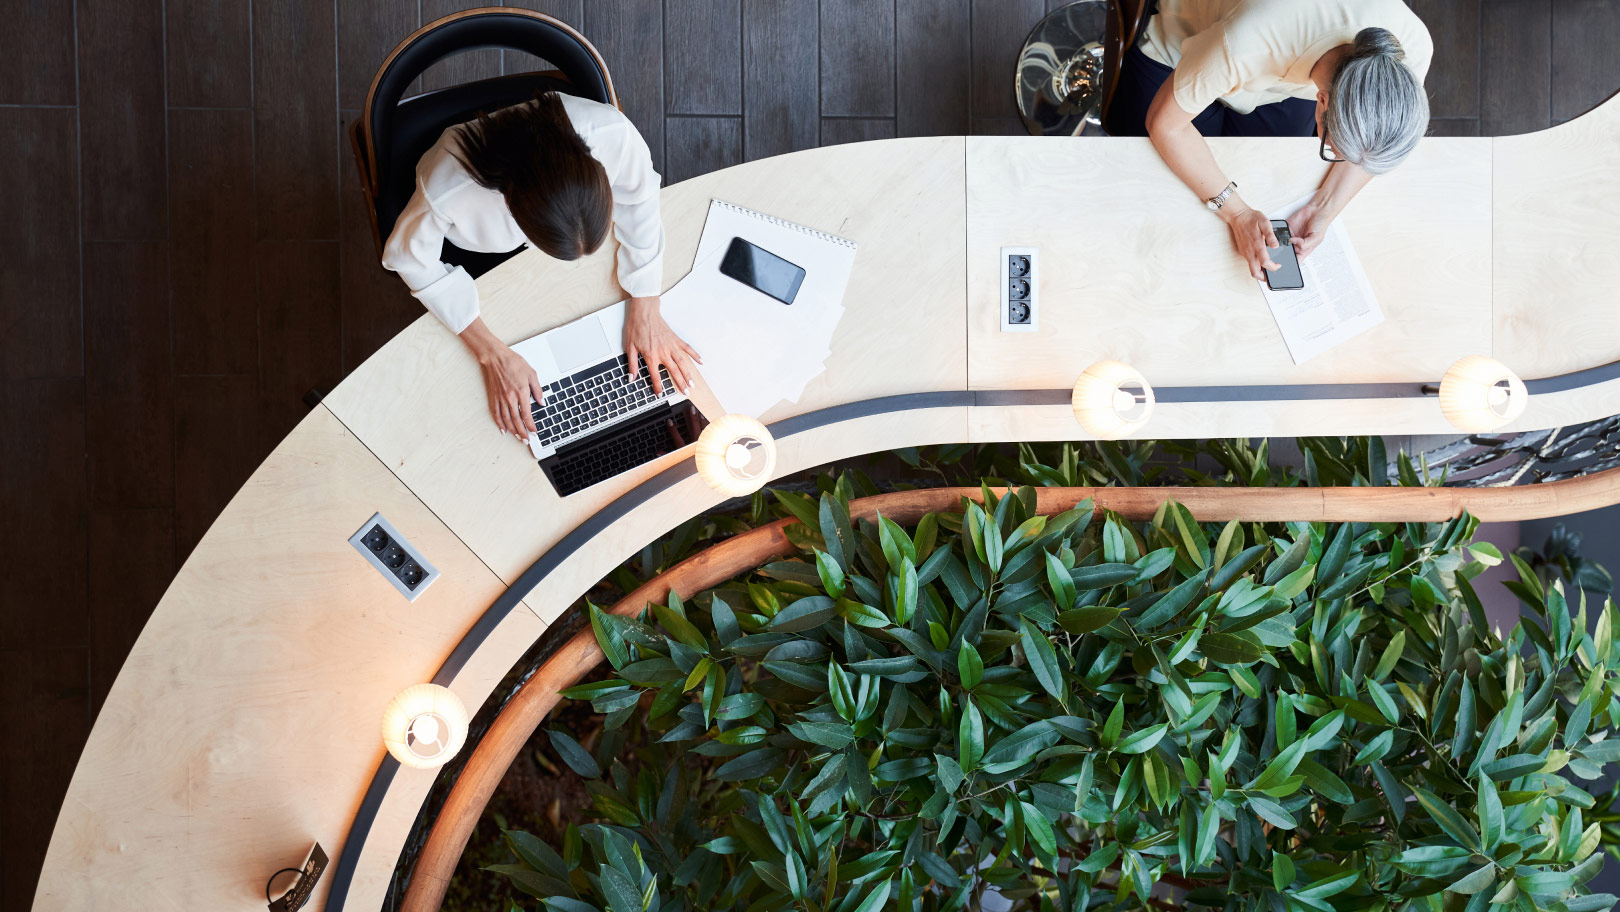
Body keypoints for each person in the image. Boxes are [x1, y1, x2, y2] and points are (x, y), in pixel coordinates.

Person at [382, 91, 699, 441]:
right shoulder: (447, 189)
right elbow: (407, 259)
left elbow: (639, 197)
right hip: (479, 257)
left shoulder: (611, 132)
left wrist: (646, 302)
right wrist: (492, 354)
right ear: (511, 207)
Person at [1104, 0, 1432, 281]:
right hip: (1187, 44)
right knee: (1149, 176)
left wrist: (1324, 208)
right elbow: (1166, 125)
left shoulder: (1411, 51)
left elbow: (1369, 152)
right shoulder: (1250, 40)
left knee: (1268, 172)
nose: (1344, 161)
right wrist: (1237, 214)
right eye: (1335, 150)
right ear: (1323, 102)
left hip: (1278, 79)